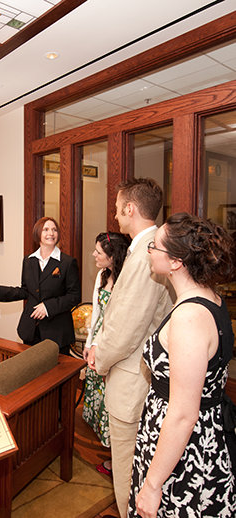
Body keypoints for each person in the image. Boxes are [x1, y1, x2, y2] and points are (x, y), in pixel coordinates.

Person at [127, 213, 235, 518]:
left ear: (176, 262)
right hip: (190, 438)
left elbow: (184, 415)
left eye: (155, 246)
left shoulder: (189, 318)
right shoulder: (210, 298)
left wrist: (152, 486)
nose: (149, 251)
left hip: (184, 454)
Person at [87, 178, 173, 517]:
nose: (115, 215)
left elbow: (126, 327)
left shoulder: (145, 255)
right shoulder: (148, 248)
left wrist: (100, 359)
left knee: (127, 472)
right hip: (139, 375)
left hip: (131, 379)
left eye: (117, 209)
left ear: (130, 208)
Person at [0, 216, 81, 354]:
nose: (51, 233)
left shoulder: (67, 262)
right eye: (46, 229)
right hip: (31, 330)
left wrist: (47, 307)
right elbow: (25, 291)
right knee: (30, 367)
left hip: (57, 333)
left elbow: (74, 296)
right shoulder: (28, 260)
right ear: (38, 233)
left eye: (54, 230)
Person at [82, 231, 130, 461]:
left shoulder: (126, 279)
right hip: (97, 341)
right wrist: (89, 343)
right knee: (96, 389)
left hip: (114, 340)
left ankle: (115, 448)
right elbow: (96, 313)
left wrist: (101, 343)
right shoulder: (102, 275)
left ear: (113, 256)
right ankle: (102, 440)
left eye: (98, 252)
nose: (94, 255)